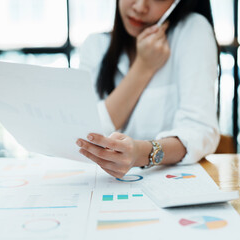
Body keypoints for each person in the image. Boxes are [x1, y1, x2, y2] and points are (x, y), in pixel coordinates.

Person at [76, 0, 220, 178]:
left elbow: (200, 131)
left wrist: (142, 153)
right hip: (100, 183)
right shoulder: (95, 45)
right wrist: (143, 68)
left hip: (168, 182)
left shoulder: (192, 31)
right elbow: (85, 132)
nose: (139, 7)